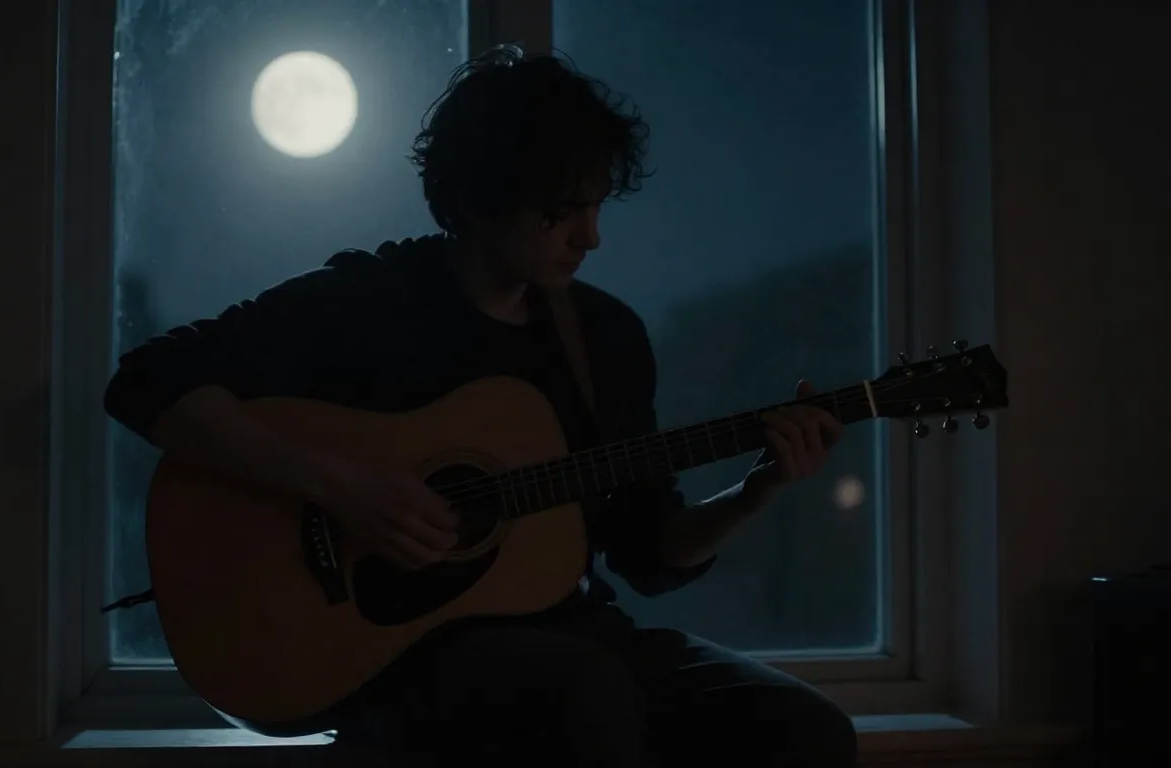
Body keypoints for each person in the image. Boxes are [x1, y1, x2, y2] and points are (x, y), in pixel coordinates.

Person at [104, 45, 857, 768]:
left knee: (804, 730)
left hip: (572, 633)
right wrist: (344, 487)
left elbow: (651, 555)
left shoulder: (603, 338)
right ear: (476, 198)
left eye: (596, 207)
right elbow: (147, 380)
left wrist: (757, 490)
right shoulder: (367, 302)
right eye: (561, 212)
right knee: (584, 698)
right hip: (402, 655)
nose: (591, 237)